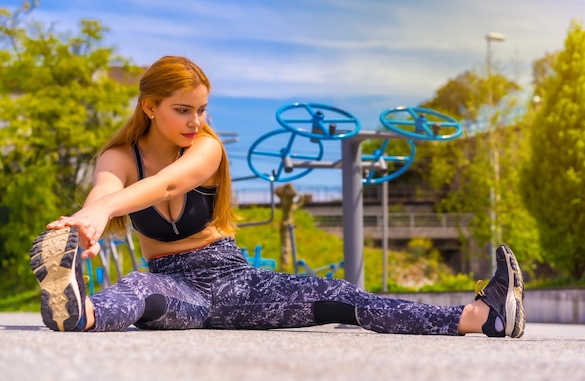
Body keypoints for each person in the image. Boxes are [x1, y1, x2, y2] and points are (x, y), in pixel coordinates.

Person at [28, 55, 525, 337]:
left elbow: (171, 184)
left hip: (238, 285)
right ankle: (81, 313)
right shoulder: (120, 155)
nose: (195, 121)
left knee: (344, 296)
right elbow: (107, 188)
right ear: (150, 107)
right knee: (138, 289)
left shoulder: (206, 149)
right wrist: (85, 220)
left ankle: (482, 317)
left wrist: (101, 213)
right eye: (182, 110)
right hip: (177, 289)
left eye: (201, 109)